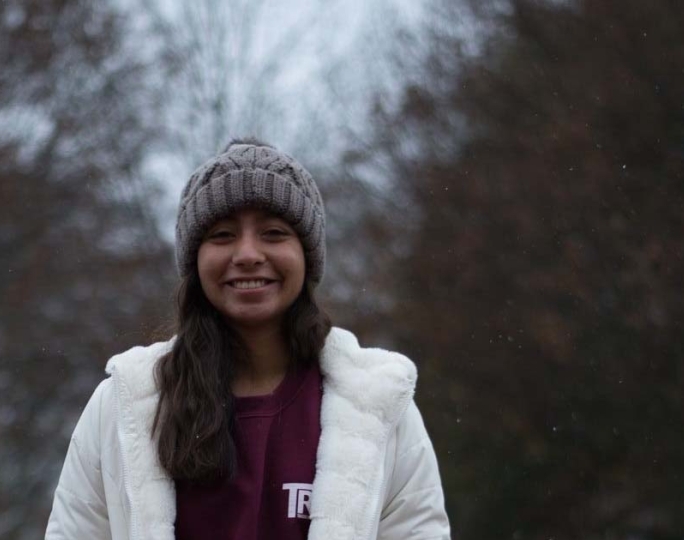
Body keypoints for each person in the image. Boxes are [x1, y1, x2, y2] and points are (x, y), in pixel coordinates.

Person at [45, 139, 451, 540]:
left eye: (274, 233)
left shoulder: (378, 404)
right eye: (222, 235)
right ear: (194, 260)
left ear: (307, 256)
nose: (248, 254)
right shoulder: (123, 405)